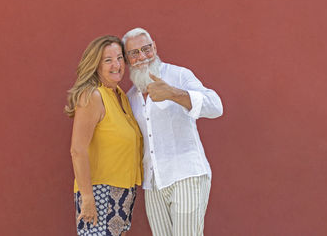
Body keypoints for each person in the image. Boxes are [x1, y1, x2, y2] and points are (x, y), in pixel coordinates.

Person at [122, 28, 223, 236]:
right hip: (153, 183)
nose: (142, 57)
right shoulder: (130, 97)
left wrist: (173, 93)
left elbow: (216, 106)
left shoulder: (178, 75)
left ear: (155, 48)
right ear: (127, 59)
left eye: (146, 49)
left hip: (186, 174)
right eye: (134, 53)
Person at [65, 35, 143, 236]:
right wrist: (88, 197)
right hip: (101, 192)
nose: (116, 65)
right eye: (108, 60)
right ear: (96, 65)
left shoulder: (120, 96)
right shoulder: (93, 96)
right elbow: (77, 150)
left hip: (124, 191)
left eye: (119, 58)